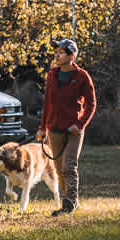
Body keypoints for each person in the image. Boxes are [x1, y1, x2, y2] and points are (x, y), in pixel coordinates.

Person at [36, 38, 96, 216]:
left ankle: (68, 205)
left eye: (61, 53)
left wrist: (80, 124)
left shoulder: (82, 77)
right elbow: (47, 103)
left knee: (69, 167)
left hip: (74, 131)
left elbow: (91, 104)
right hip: (54, 129)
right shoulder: (52, 75)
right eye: (56, 52)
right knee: (58, 168)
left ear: (72, 56)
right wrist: (42, 127)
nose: (57, 55)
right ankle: (71, 200)